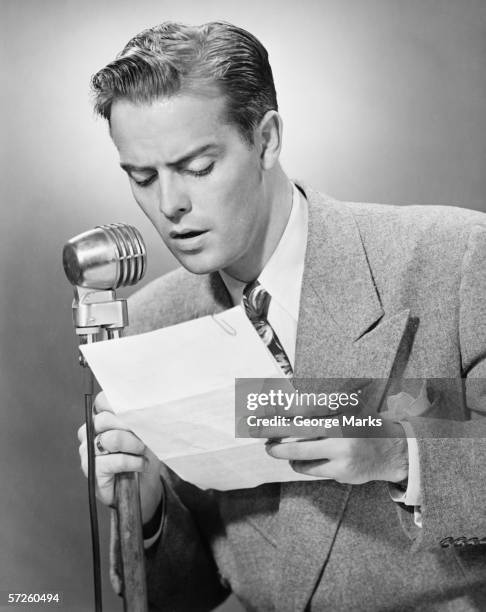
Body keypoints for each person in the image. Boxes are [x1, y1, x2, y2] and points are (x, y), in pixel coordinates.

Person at [77, 21, 486, 611]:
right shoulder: (150, 322)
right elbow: (181, 596)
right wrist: (146, 512)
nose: (170, 206)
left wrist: (400, 452)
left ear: (266, 139)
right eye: (143, 177)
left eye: (197, 167)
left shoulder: (457, 255)